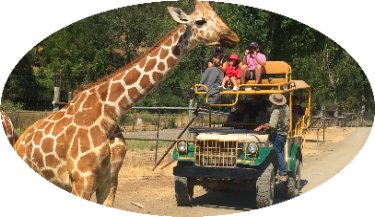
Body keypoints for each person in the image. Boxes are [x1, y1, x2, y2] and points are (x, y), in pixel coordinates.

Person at [254, 94, 290, 181]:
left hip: (277, 134)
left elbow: (271, 126)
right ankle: (280, 171)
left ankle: (282, 173)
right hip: (284, 134)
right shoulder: (286, 108)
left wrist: (262, 126)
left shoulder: (276, 112)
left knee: (277, 152)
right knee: (279, 152)